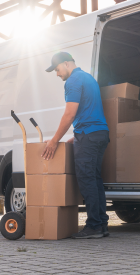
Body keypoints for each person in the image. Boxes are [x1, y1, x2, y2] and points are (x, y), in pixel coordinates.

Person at [43, 52, 110, 239]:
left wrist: (54, 141)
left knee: (87, 181)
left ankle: (94, 226)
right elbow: (89, 112)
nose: (57, 74)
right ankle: (102, 225)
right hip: (99, 134)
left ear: (66, 64)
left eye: (57, 69)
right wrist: (76, 136)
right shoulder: (88, 78)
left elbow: (70, 114)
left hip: (89, 136)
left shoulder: (72, 81)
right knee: (95, 181)